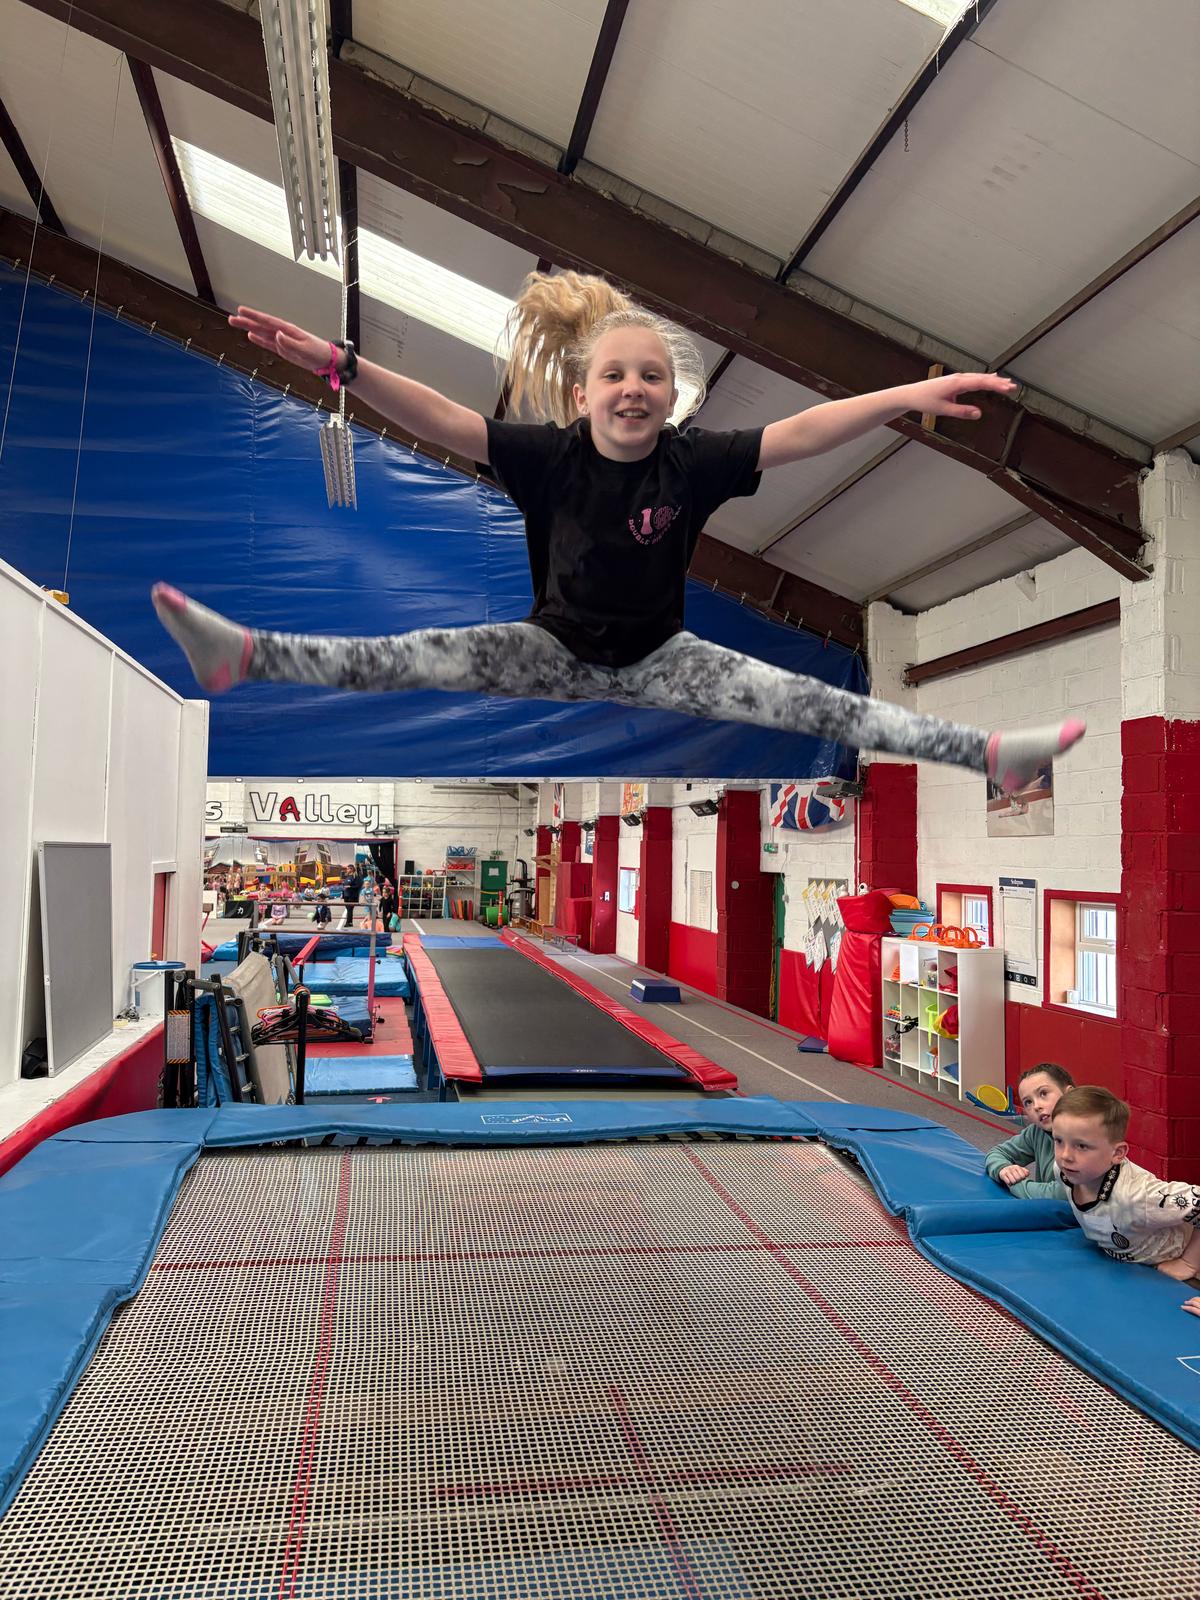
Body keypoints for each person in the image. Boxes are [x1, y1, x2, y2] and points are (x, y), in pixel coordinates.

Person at [151, 274, 1085, 790]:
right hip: (549, 649)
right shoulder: (547, 455)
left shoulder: (694, 462)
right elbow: (440, 417)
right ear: (580, 393)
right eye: (613, 376)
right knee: (415, 654)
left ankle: (990, 756)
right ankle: (248, 655)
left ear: (673, 396)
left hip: (663, 658)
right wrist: (341, 364)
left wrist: (907, 397)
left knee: (819, 706)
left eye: (650, 375)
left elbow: (802, 432)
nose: (632, 387)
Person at [1050, 1087, 1200, 1293]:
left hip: (1181, 1267)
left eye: (1082, 1146)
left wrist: (1189, 1263)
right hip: (1129, 1266)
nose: (1065, 1155)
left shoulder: (1137, 1196)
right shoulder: (1063, 1171)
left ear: (1117, 1153)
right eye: (1058, 1141)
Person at [984, 1062, 1075, 1200]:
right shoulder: (1037, 1132)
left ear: (1069, 1094)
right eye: (1028, 1102)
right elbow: (997, 1153)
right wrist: (1004, 1169)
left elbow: (1059, 1195)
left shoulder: (1086, 1138)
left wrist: (1012, 1182)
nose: (1036, 1106)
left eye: (1043, 1093)